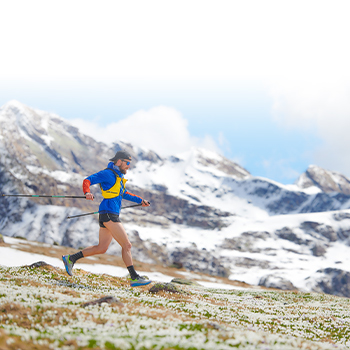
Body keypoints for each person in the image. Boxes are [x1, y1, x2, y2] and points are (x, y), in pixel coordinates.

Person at [62, 150, 152, 287]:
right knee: (127, 245)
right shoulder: (107, 174)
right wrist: (87, 192)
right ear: (119, 161)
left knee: (102, 248)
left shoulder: (118, 177)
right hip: (109, 213)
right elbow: (87, 180)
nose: (128, 166)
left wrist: (141, 200)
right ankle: (134, 277)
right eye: (127, 163)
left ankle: (70, 258)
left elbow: (124, 193)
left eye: (130, 163)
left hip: (109, 213)